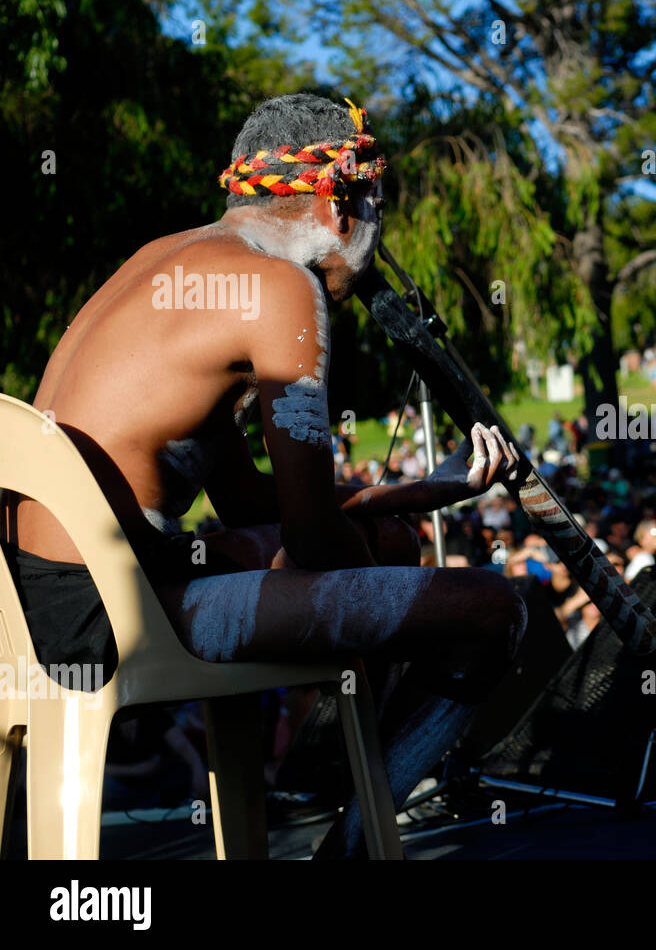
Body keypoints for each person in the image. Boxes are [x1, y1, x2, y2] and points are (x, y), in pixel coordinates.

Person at [2, 94, 527, 859]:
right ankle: (352, 845)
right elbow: (311, 537)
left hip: (31, 601)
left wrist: (428, 492)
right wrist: (369, 561)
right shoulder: (282, 290)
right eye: (377, 215)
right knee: (494, 609)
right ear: (342, 204)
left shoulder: (169, 263)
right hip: (105, 618)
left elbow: (252, 501)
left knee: (385, 540)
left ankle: (329, 794)